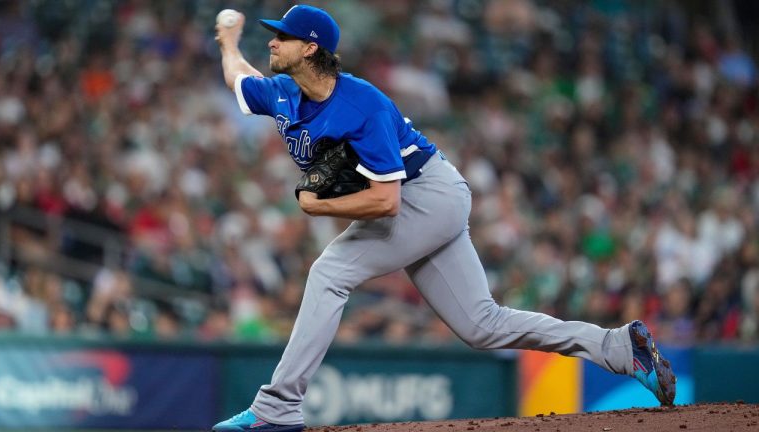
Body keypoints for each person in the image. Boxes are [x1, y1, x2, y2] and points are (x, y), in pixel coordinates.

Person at [212, 5, 676, 432]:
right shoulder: (283, 93)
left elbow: (386, 202)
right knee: (483, 326)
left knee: (330, 272)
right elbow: (239, 79)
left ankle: (277, 409)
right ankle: (619, 348)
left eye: (282, 37)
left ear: (311, 48)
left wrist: (320, 206)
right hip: (430, 197)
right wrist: (228, 43)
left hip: (425, 194)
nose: (271, 43)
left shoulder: (360, 104)